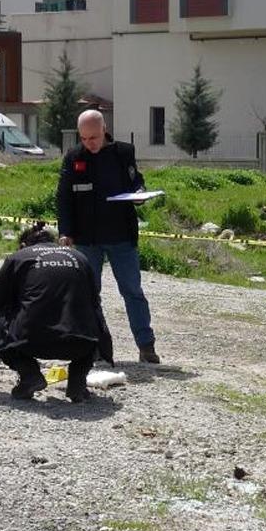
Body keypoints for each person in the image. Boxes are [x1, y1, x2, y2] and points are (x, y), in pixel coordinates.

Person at [56, 109, 160, 364]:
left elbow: (137, 181)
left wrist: (139, 194)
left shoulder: (124, 152)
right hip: (86, 239)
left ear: (104, 130)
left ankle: (146, 346)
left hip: (121, 236)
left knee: (132, 291)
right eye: (84, 138)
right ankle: (94, 346)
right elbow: (64, 197)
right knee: (90, 295)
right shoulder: (73, 157)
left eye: (93, 137)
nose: (89, 143)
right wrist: (65, 231)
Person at [0, 222, 113, 402]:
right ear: (55, 242)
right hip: (81, 343)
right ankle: (77, 383)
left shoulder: (18, 258)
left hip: (32, 341)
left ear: (24, 245)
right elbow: (94, 299)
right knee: (94, 315)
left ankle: (29, 375)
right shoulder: (80, 257)